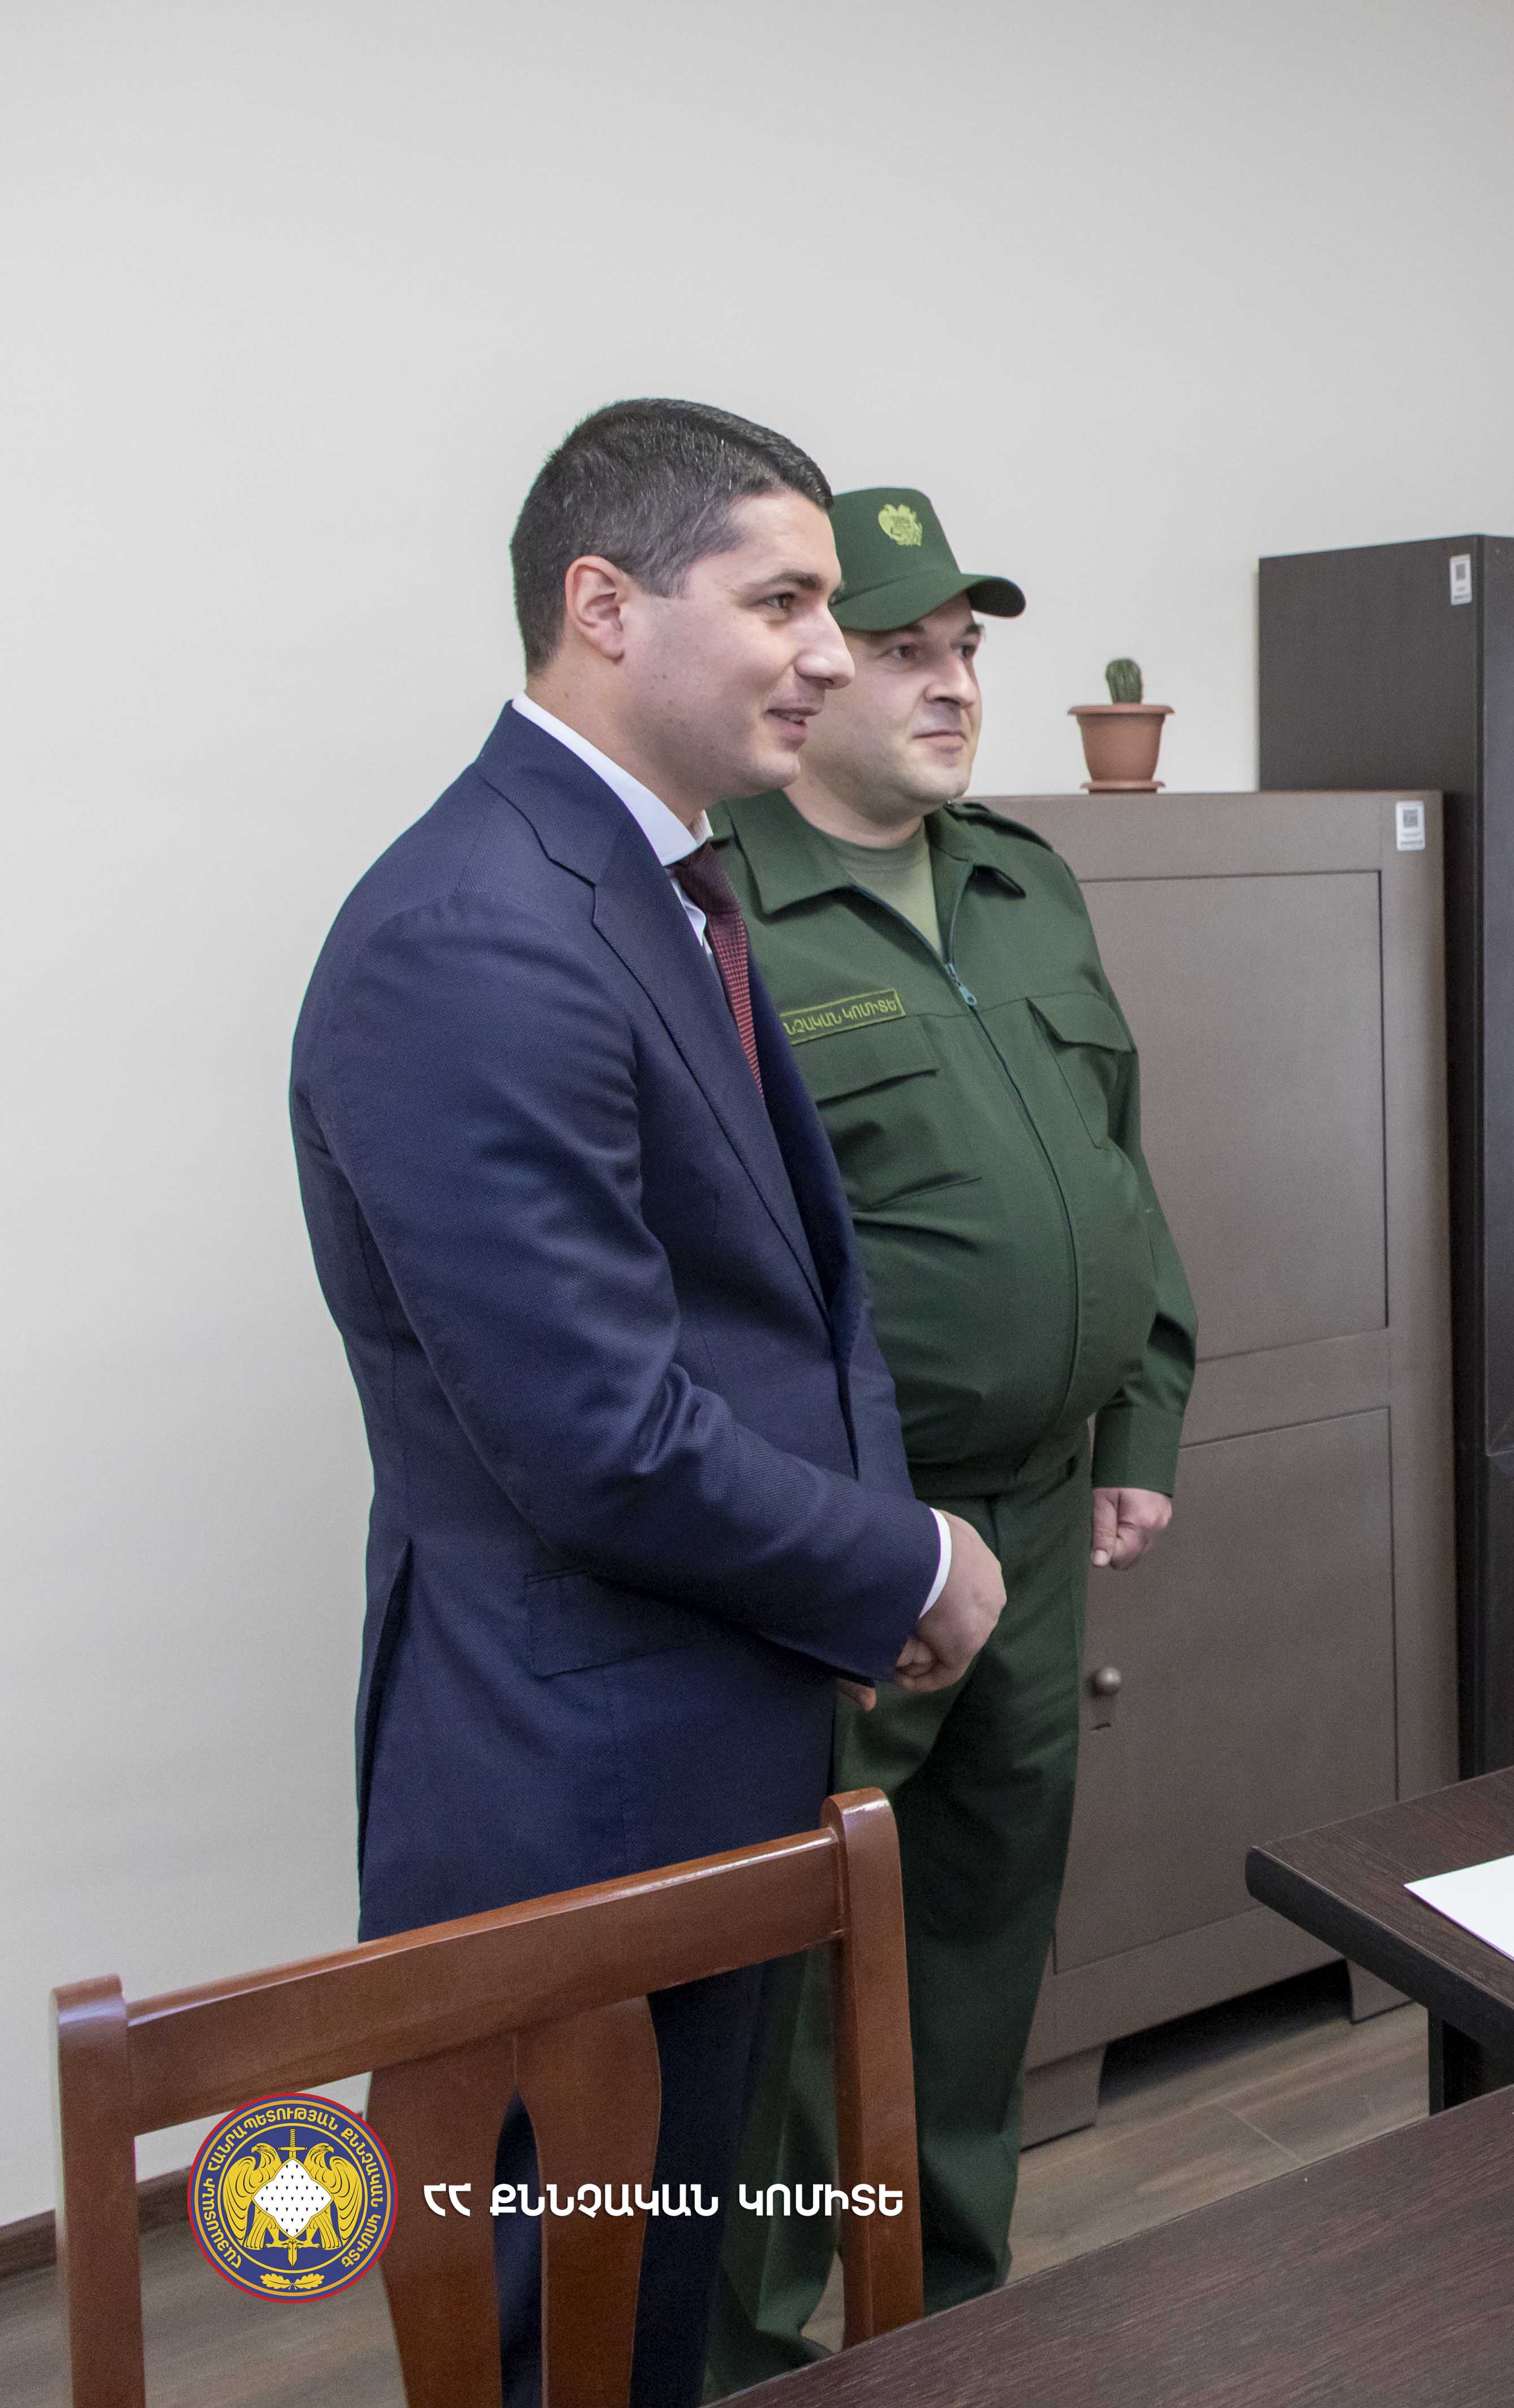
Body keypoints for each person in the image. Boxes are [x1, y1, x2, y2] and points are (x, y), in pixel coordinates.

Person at [290, 400, 1006, 2406]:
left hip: (698, 1731)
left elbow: (777, 1304)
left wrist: (852, 1581)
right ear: (604, 606)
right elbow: (601, 1434)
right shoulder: (476, 928)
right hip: (576, 1779)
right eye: (782, 603)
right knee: (575, 2330)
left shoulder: (646, 880)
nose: (828, 654)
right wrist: (903, 1564)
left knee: (658, 2302)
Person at [703, 488, 1195, 2390]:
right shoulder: (715, 910)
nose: (950, 684)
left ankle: (948, 2315)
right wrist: (840, 1537)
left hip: (1048, 1514)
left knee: (986, 1929)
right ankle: (751, 2354)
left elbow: (1116, 1172)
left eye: (966, 650)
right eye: (902, 649)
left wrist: (1142, 1410)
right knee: (786, 1986)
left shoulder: (1022, 882)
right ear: (808, 669)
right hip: (853, 1543)